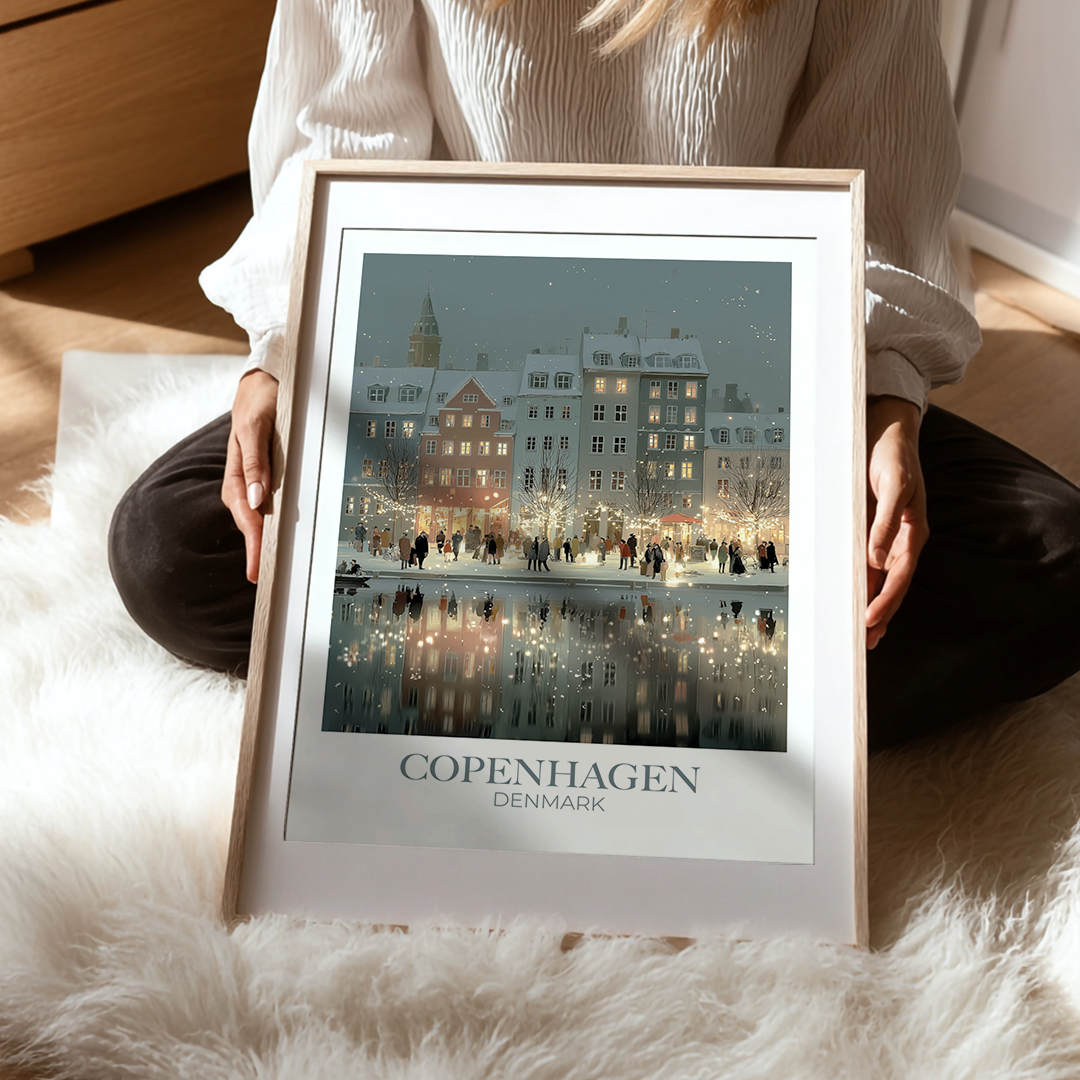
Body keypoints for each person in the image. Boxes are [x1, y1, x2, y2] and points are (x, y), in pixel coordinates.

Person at [107, 0, 1080, 751]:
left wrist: (879, 404)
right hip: (472, 381)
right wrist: (283, 357)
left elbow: (876, 171)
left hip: (747, 389)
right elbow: (338, 139)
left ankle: (525, 675)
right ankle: (696, 682)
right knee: (174, 543)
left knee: (1056, 561)